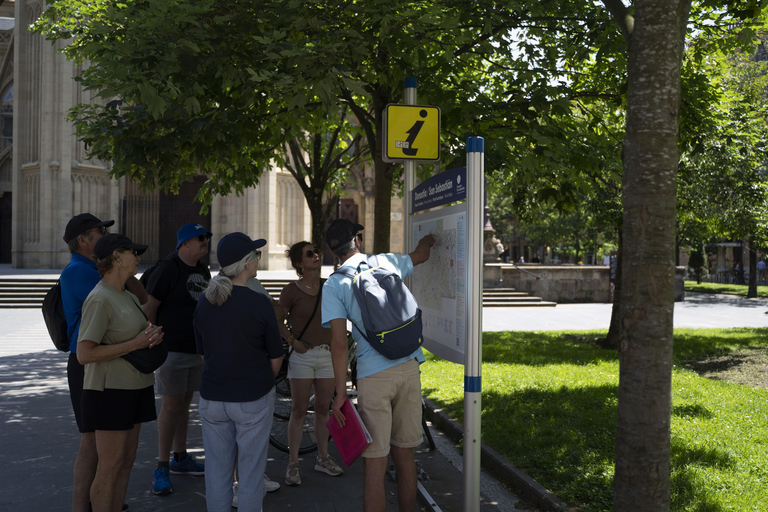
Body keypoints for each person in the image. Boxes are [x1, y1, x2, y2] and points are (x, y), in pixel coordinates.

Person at [321, 219, 434, 512]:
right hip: (410, 365)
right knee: (405, 457)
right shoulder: (384, 261)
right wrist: (433, 238)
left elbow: (339, 344)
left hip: (373, 376)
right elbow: (421, 254)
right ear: (357, 241)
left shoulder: (335, 284)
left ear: (333, 251)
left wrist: (341, 393)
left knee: (375, 466)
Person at [60, 213, 146, 512]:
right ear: (83, 240)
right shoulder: (82, 273)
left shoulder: (92, 271)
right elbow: (107, 318)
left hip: (114, 364)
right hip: (91, 365)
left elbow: (138, 299)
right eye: (100, 232)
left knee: (107, 452)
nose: (106, 234)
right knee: (92, 446)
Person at [193, 232, 284, 512]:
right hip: (251, 397)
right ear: (247, 263)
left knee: (217, 474)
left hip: (213, 397)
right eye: (256, 255)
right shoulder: (258, 303)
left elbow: (203, 354)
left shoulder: (204, 302)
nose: (258, 260)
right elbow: (276, 357)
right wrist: (260, 379)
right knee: (251, 475)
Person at [77, 233, 164, 512]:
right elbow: (84, 354)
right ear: (116, 257)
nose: (138, 258)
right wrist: (135, 344)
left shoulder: (125, 294)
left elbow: (133, 335)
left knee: (126, 461)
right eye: (133, 253)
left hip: (136, 386)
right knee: (110, 465)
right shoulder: (100, 298)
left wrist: (150, 336)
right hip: (109, 392)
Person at [143, 223, 212, 495]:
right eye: (200, 238)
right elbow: (150, 309)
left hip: (196, 350)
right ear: (184, 243)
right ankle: (161, 465)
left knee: (184, 404)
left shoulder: (202, 269)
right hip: (172, 351)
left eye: (206, 237)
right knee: (171, 407)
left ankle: (180, 458)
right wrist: (153, 345)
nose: (205, 241)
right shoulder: (168, 268)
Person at [276, 241, 342, 486]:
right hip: (302, 356)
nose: (316, 255)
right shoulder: (290, 291)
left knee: (324, 409)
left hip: (327, 356)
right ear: (299, 264)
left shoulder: (330, 286)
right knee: (299, 409)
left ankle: (322, 458)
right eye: (309, 254)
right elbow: (278, 321)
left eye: (316, 251)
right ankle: (293, 463)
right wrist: (293, 340)